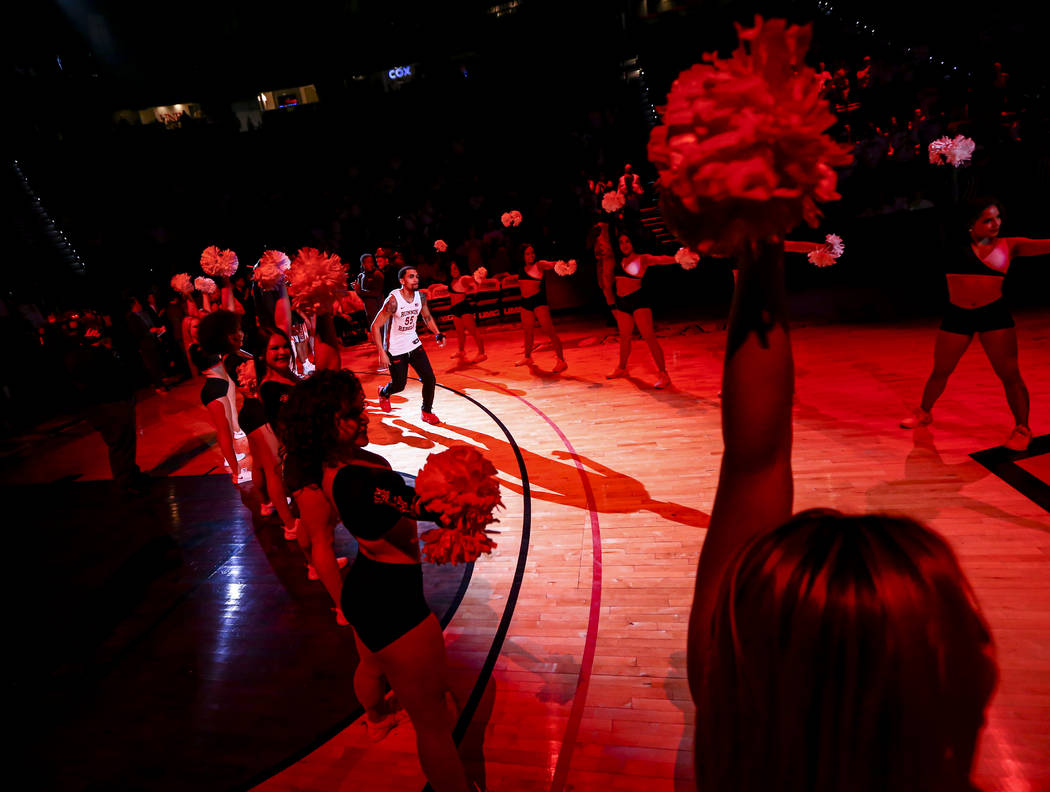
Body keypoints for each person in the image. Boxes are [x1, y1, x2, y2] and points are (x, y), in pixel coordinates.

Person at [690, 240, 997, 792]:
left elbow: (753, 465)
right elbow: (752, 464)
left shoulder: (736, 734)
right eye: (966, 630)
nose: (985, 644)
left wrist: (758, 250)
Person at [278, 370, 472, 790]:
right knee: (434, 721)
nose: (364, 416)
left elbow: (325, 541)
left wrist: (344, 604)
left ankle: (376, 718)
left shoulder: (328, 470)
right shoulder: (360, 478)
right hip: (394, 603)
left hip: (365, 588)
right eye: (353, 412)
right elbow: (429, 508)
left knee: (369, 664)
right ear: (330, 421)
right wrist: (464, 495)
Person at [900, 199, 1048, 450]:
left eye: (998, 218)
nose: (995, 224)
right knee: (941, 370)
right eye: (987, 220)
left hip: (994, 315)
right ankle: (924, 412)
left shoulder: (1010, 245)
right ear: (971, 225)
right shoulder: (952, 245)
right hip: (957, 315)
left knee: (1010, 375)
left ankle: (1023, 428)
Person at [65, 316, 149, 496]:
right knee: (120, 443)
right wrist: (92, 347)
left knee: (126, 440)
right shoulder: (82, 355)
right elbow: (87, 377)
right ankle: (125, 482)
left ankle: (131, 474)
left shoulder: (99, 351)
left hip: (117, 400)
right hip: (107, 405)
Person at [372, 266, 446, 425]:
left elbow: (426, 317)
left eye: (417, 276)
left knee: (430, 378)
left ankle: (426, 411)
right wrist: (382, 352)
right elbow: (375, 326)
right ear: (402, 281)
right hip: (395, 348)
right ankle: (384, 392)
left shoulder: (421, 297)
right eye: (411, 277)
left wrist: (437, 333)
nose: (416, 279)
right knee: (399, 386)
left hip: (413, 343)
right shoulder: (393, 300)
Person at [608, 231, 675, 388]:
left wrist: (678, 259)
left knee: (649, 337)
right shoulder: (620, 261)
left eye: (627, 241)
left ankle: (664, 374)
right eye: (621, 242)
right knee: (624, 337)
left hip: (638, 301)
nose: (624, 245)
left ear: (633, 243)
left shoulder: (642, 258)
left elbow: (661, 260)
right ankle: (622, 368)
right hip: (622, 303)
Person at [196, 310, 244, 484]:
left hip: (218, 390)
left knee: (228, 427)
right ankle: (237, 473)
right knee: (223, 431)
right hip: (214, 392)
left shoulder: (213, 348)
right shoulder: (200, 350)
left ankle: (233, 458)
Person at [513, 243, 567, 372]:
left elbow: (550, 264)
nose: (531, 255)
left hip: (538, 301)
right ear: (522, 256)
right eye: (528, 253)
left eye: (532, 253)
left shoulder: (539, 264)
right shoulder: (521, 268)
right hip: (525, 303)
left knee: (549, 330)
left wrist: (561, 265)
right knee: (527, 331)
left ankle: (561, 360)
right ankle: (527, 357)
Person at [446, 261, 486, 363]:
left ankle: (482, 353)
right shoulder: (451, 281)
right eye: (451, 269)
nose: (453, 271)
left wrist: (478, 275)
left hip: (463, 307)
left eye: (455, 268)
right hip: (455, 309)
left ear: (459, 269)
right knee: (460, 332)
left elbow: (473, 281)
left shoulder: (463, 279)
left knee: (473, 331)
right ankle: (461, 351)